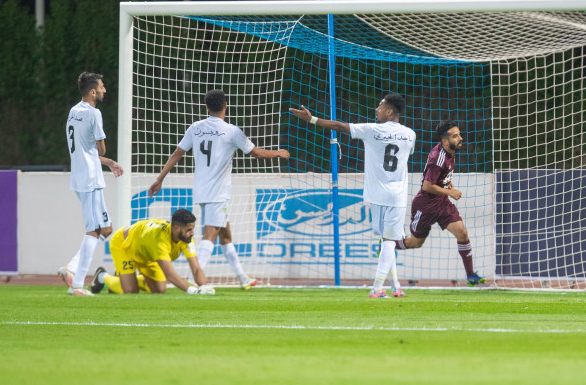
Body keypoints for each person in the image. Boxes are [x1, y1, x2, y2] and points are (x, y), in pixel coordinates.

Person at [147, 89, 289, 289]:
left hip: (202, 190)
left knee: (225, 232)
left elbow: (177, 153)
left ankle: (243, 278)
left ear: (206, 107)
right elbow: (256, 153)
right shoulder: (232, 131)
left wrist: (159, 179)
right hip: (218, 192)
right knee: (211, 232)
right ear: (226, 105)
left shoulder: (195, 127)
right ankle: (194, 278)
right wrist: (278, 153)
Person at [290, 93, 416, 298]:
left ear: (389, 111)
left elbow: (340, 126)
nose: (377, 109)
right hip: (397, 195)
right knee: (389, 240)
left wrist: (312, 119)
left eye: (380, 106)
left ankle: (385, 286)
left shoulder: (372, 130)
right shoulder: (410, 134)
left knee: (387, 240)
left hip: (376, 194)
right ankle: (389, 286)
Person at [394, 120, 485, 286]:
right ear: (445, 140)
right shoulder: (439, 157)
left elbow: (439, 177)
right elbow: (427, 186)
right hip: (425, 205)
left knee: (462, 233)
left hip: (441, 203)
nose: (460, 138)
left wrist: (446, 183)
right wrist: (450, 191)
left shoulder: (450, 151)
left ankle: (471, 275)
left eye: (459, 134)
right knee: (415, 243)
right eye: (455, 136)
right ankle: (387, 244)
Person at [57, 72, 124, 296]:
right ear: (93, 91)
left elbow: (85, 150)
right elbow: (99, 149)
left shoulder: (73, 111)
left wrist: (109, 163)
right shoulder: (94, 113)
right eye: (102, 87)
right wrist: (106, 156)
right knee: (94, 230)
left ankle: (72, 268)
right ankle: (76, 284)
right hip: (91, 179)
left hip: (80, 175)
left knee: (105, 229)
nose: (104, 90)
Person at [90, 209, 214, 295]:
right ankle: (102, 277)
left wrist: (204, 287)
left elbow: (196, 268)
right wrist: (192, 290)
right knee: (130, 291)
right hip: (125, 246)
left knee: (159, 290)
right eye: (189, 230)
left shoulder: (186, 238)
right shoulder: (160, 241)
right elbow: (169, 274)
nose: (192, 233)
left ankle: (124, 277)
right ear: (176, 228)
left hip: (148, 255)